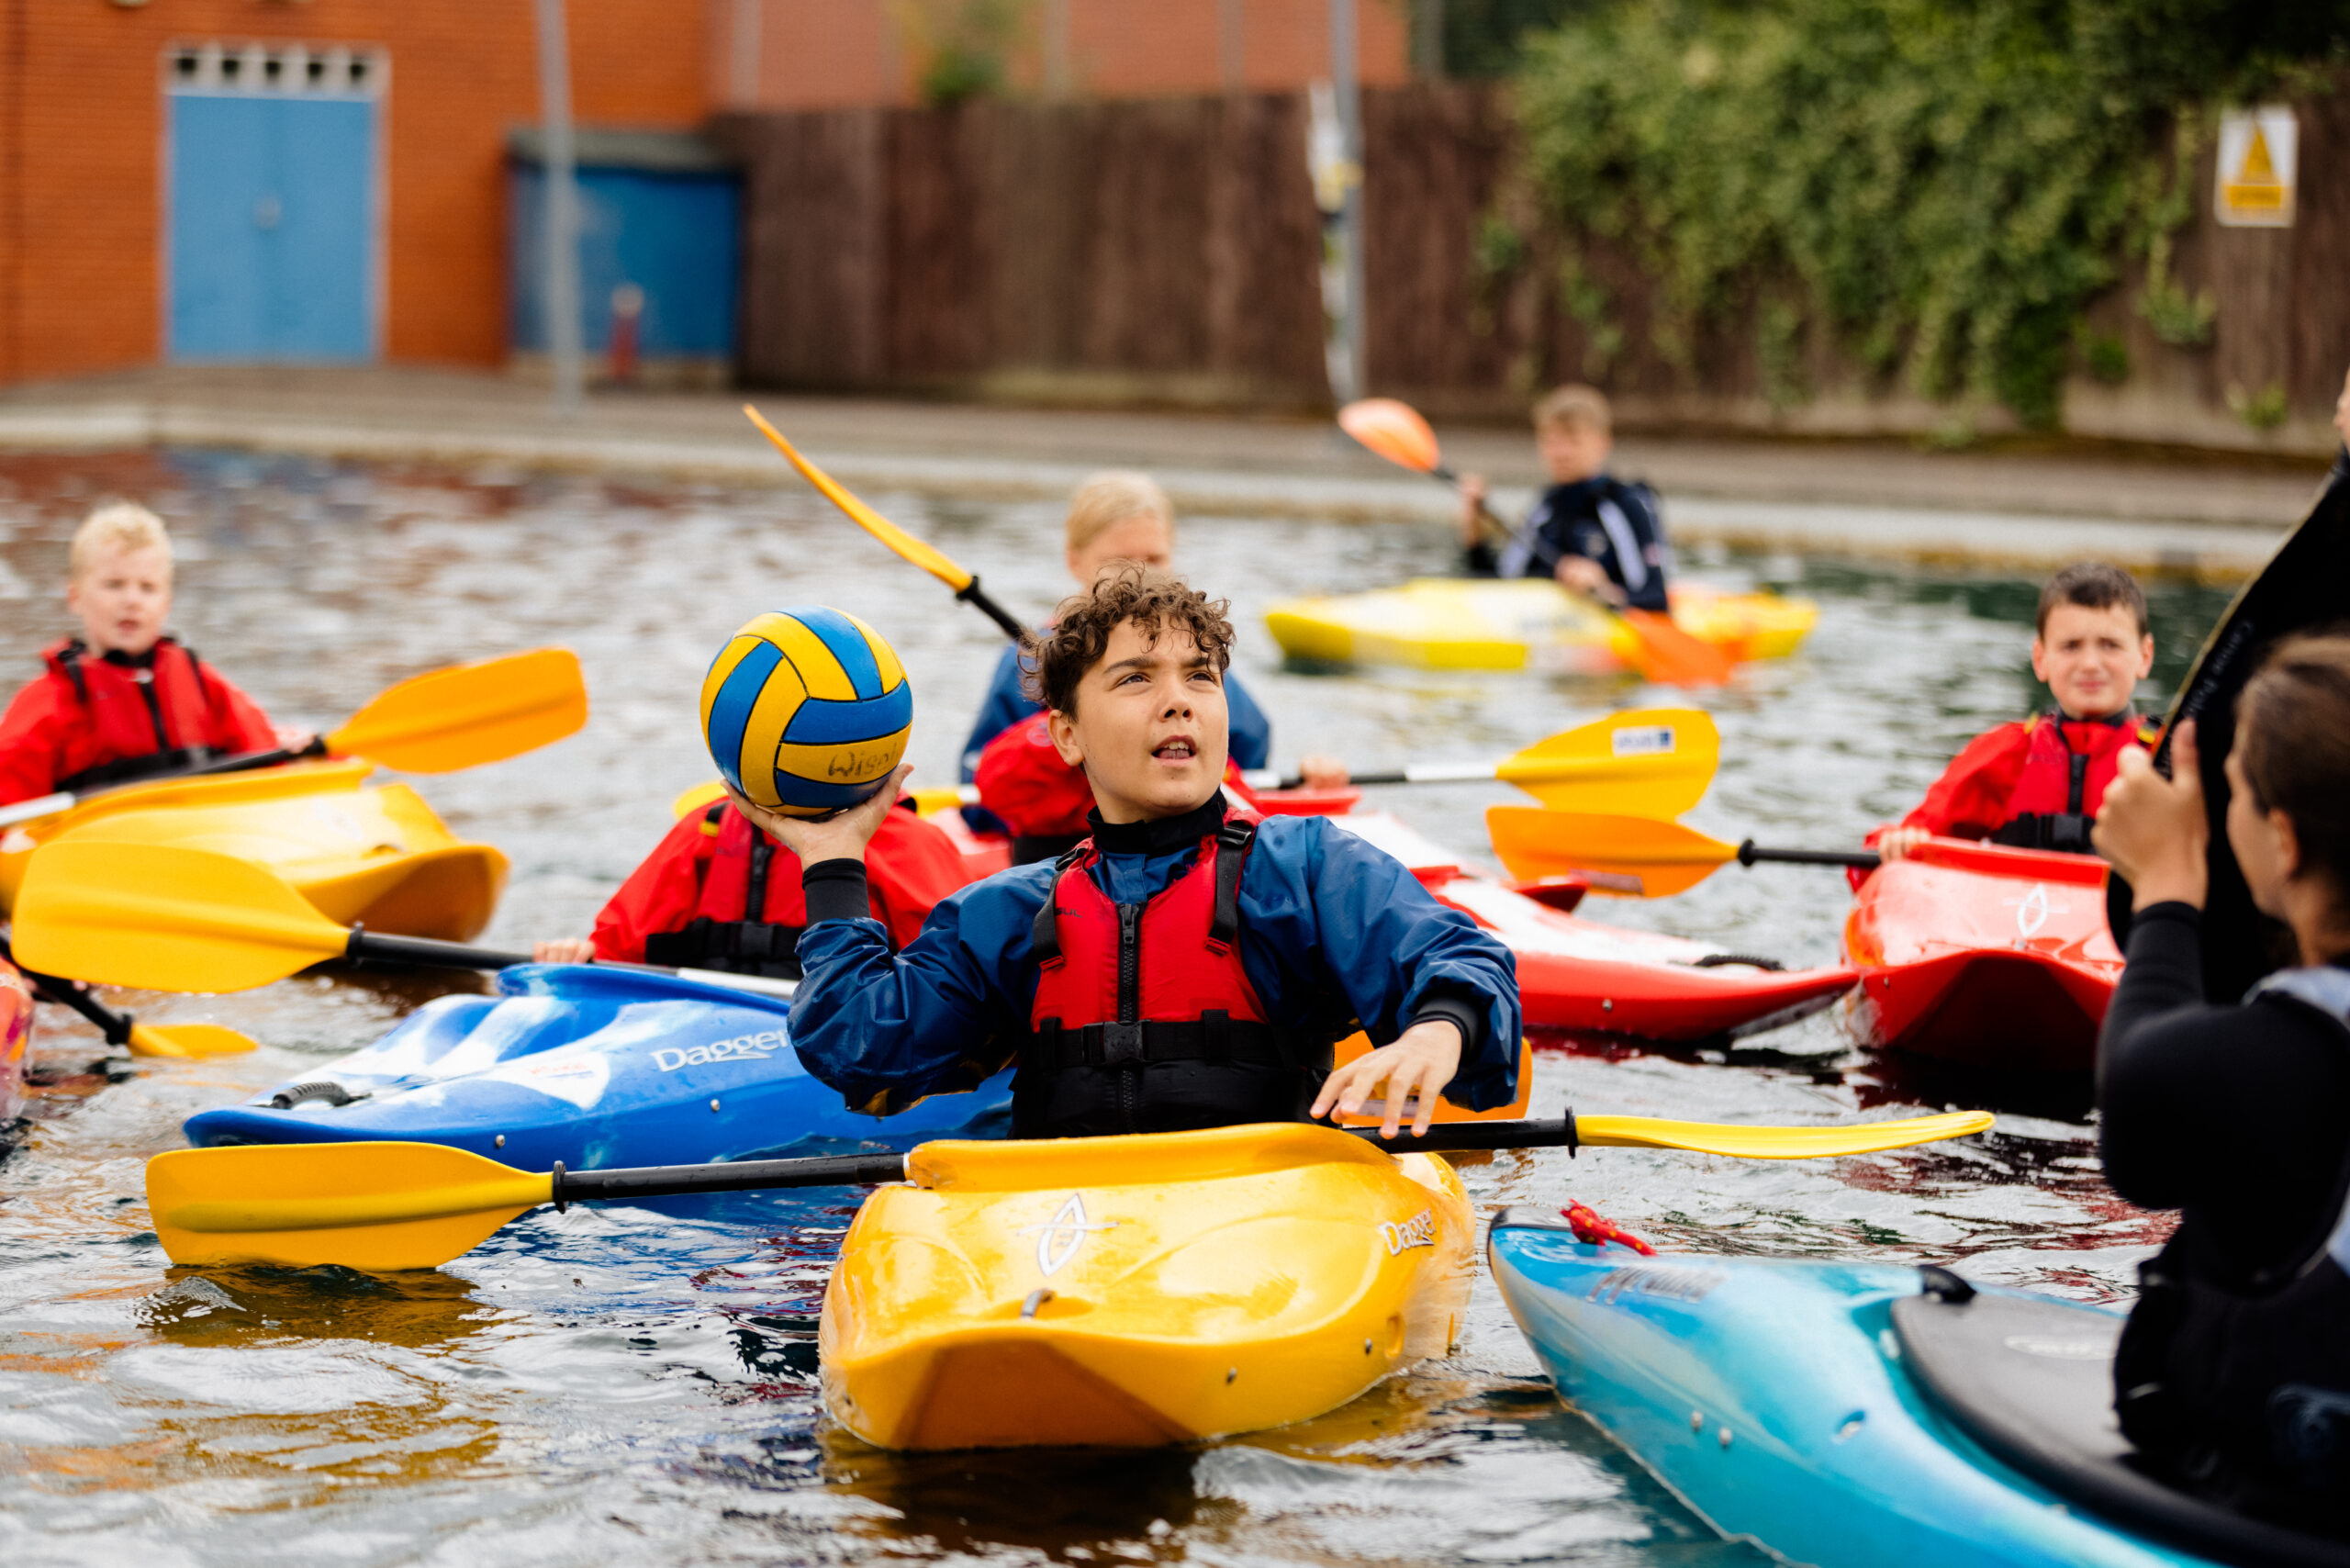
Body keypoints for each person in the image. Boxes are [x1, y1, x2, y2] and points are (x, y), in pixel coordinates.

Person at [739, 566, 1521, 1141]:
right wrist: (834, 860)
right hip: (1070, 1230)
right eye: (1136, 678)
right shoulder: (1011, 915)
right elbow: (860, 1050)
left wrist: (1436, 1032)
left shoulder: (1307, 870)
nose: (1177, 697)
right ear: (1067, 736)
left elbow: (1466, 962)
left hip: (1271, 1224)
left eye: (1200, 677)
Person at [2090, 636, 2350, 1521]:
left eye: (2233, 789)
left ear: (2282, 841)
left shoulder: (2265, 1064)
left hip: (2288, 1494)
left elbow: (2137, 1119)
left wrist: (2168, 885)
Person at [960, 472, 1343, 855]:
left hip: (1182, 847)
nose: (1141, 574)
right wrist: (1085, 750)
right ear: (1074, 561)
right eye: (1120, 561)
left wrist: (1303, 780)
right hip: (1060, 848)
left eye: (1155, 559)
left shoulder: (1196, 660)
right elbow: (977, 800)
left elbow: (1250, 759)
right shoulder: (1026, 665)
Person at [0, 501, 305, 807]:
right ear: (75, 596)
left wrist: (292, 750)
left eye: (147, 588)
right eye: (114, 585)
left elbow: (265, 756)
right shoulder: (48, 704)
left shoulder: (203, 686)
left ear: (166, 603)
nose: (132, 600)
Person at [1873, 562, 2159, 863]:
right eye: (2071, 646)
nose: (2089, 663)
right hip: (2017, 908)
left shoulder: (2167, 757)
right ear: (2040, 659)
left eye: (2110, 645)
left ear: (2144, 656)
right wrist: (1901, 842)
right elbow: (1910, 835)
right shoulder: (2006, 753)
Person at [531, 791, 970, 978]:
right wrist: (575, 961)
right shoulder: (708, 830)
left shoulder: (905, 841)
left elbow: (962, 987)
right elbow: (613, 956)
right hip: (708, 1041)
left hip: (846, 1048)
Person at [1455, 385, 1673, 612]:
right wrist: (1475, 532)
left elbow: (1656, 598)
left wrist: (1603, 587)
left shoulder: (1627, 504)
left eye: (1573, 440)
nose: (1561, 453)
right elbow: (1497, 584)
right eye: (1551, 441)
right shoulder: (1545, 507)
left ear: (1602, 443)